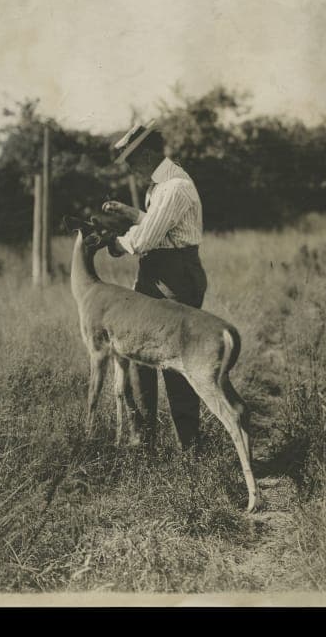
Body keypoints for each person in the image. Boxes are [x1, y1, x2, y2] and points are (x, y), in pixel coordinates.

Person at [103, 121, 206, 449]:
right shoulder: (162, 185)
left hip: (175, 277)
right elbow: (160, 224)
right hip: (155, 274)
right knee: (138, 352)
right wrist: (131, 212)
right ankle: (143, 439)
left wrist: (115, 243)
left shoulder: (174, 186)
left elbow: (146, 239)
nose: (131, 169)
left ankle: (190, 449)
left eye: (132, 161)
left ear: (147, 156)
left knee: (176, 361)